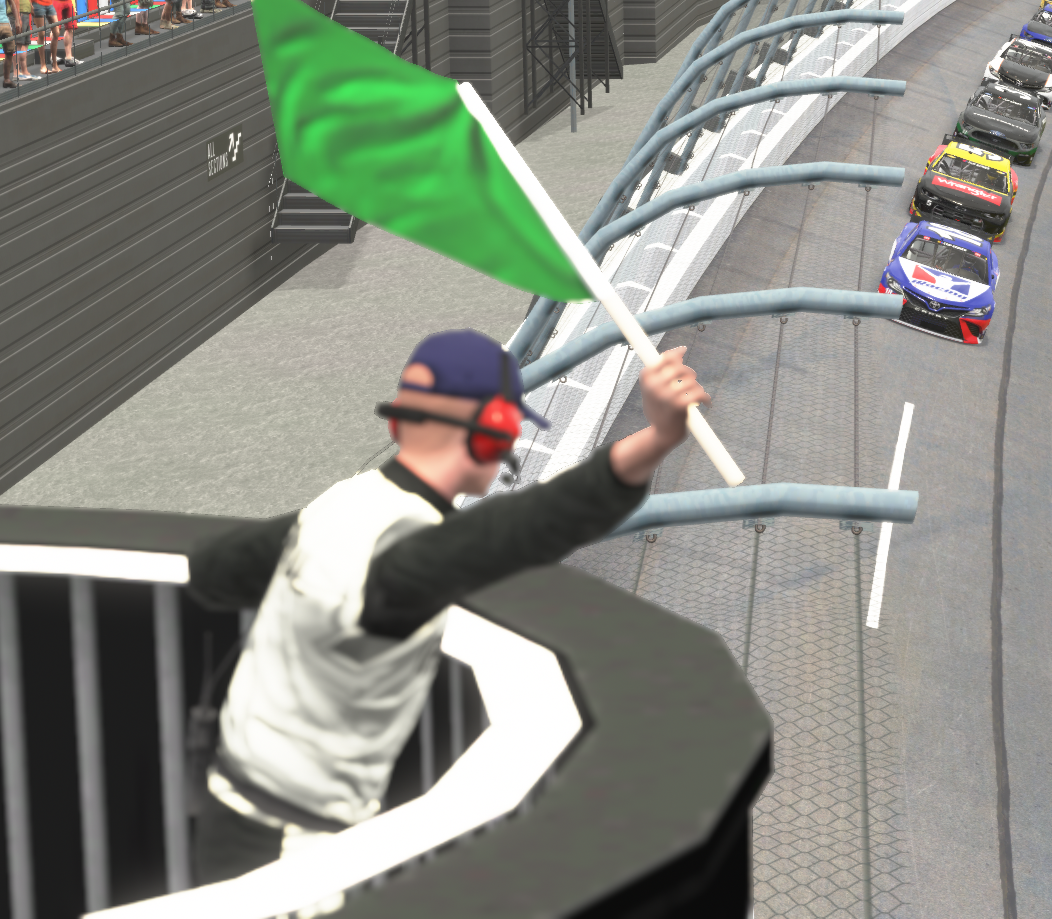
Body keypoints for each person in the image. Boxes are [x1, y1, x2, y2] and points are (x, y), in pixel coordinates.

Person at [184, 331, 709, 883]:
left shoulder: (342, 501)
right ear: (494, 432)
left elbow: (215, 570)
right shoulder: (410, 542)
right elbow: (532, 523)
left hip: (230, 800)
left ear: (398, 424)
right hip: (298, 846)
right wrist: (656, 439)